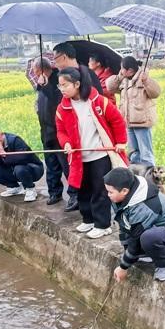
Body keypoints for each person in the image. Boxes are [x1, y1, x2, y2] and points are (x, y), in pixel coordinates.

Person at [54, 67, 128, 240]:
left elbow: (117, 121)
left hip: (99, 155)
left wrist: (120, 142)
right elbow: (61, 131)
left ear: (77, 84)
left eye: (65, 85)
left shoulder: (98, 101)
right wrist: (66, 143)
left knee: (100, 190)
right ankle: (88, 219)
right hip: (78, 156)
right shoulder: (62, 108)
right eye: (59, 86)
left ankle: (102, 225)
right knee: (82, 189)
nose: (62, 89)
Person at [105, 167, 165, 282]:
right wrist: (128, 253)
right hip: (156, 226)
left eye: (111, 192)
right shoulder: (125, 197)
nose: (108, 195)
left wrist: (123, 266)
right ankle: (145, 254)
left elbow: (135, 236)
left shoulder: (142, 206)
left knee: (148, 238)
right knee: (138, 239)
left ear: (124, 191)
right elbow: (125, 225)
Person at [31, 57, 78, 210]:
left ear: (41, 70)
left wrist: (45, 86)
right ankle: (54, 192)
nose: (34, 74)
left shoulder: (58, 82)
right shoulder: (41, 84)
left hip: (59, 132)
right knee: (51, 165)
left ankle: (74, 195)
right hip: (45, 132)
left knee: (66, 165)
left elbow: (56, 101)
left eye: (35, 71)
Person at [107, 56, 160, 167]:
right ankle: (137, 173)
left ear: (130, 70)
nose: (121, 70)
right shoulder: (124, 80)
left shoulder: (144, 77)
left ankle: (149, 174)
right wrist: (120, 76)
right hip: (128, 122)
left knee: (146, 153)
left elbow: (156, 93)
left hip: (142, 122)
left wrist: (146, 81)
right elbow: (110, 88)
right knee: (133, 154)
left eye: (123, 68)